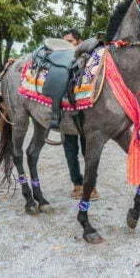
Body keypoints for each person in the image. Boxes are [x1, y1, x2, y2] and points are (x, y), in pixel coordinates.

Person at [62, 29, 100, 200]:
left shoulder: (91, 63)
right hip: (66, 114)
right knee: (70, 150)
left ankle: (90, 185)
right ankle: (77, 184)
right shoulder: (61, 66)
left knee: (88, 150)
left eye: (70, 41)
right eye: (65, 42)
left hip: (86, 114)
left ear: (79, 42)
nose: (67, 45)